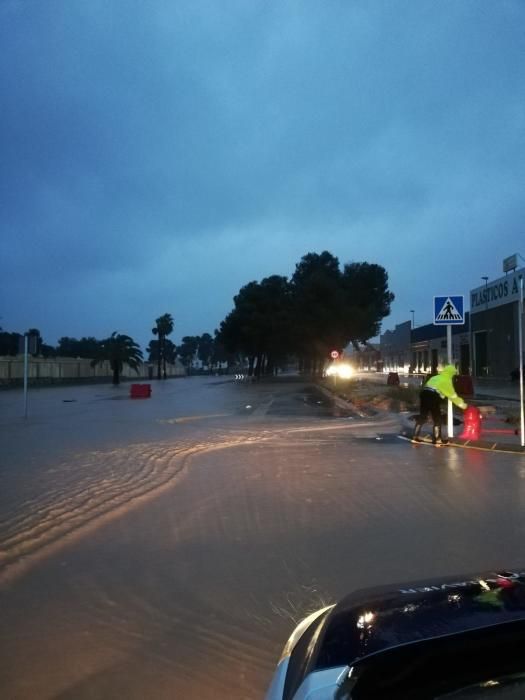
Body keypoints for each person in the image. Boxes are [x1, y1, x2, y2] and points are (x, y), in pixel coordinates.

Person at [412, 364, 468, 445]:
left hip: (424, 394)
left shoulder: (436, 377)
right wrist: (463, 405)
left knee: (423, 416)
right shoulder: (446, 380)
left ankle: (415, 437)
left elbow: (433, 388)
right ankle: (438, 440)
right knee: (437, 418)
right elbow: (452, 395)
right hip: (432, 397)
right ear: (451, 373)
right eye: (453, 374)